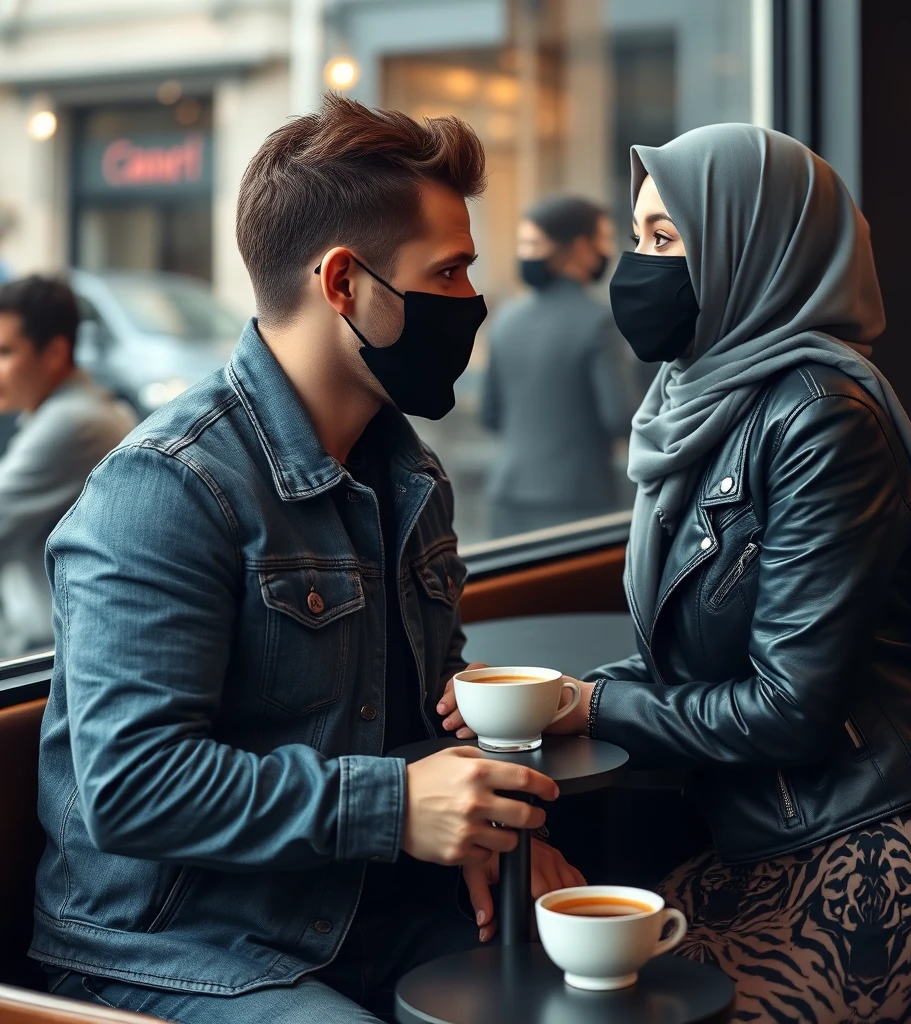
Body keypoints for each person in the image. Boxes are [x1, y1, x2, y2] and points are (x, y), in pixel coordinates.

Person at [32, 98, 583, 1023]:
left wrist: (496, 832)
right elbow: (131, 786)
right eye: (447, 272)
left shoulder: (409, 472)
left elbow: (416, 699)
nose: (473, 305)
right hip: (174, 946)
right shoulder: (165, 488)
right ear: (343, 283)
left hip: (369, 906)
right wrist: (395, 806)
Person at [443, 125, 911, 1022]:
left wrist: (596, 705)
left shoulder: (822, 417)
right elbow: (701, 669)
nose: (639, 267)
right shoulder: (697, 402)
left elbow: (789, 710)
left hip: (867, 880)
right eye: (636, 237)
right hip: (753, 853)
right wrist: (571, 694)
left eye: (666, 239)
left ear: (757, 249)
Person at [480, 195, 634, 537]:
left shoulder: (505, 319)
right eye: (603, 240)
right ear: (580, 249)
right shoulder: (598, 321)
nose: (605, 251)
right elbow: (619, 416)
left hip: (508, 494)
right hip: (578, 498)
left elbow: (490, 414)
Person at [0, 275, 134, 657]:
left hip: (43, 655)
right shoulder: (81, 410)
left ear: (56, 353)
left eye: (5, 352)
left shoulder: (73, 423)